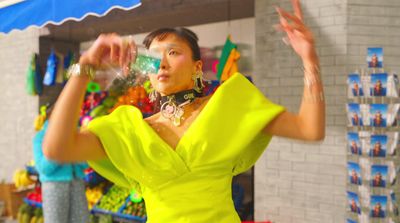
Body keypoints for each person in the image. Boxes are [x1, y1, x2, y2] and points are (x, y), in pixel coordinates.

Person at [43, 0, 325, 222]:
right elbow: (57, 149)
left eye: (173, 52)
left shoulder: (228, 108)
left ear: (197, 67)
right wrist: (86, 65)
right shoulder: (130, 131)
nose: (162, 63)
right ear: (147, 72)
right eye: (153, 57)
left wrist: (309, 59)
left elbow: (309, 130)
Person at [33, 105, 89, 223]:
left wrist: (77, 152)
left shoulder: (74, 134)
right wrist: (62, 151)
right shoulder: (40, 138)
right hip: (54, 187)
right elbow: (43, 168)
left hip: (77, 183)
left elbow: (85, 164)